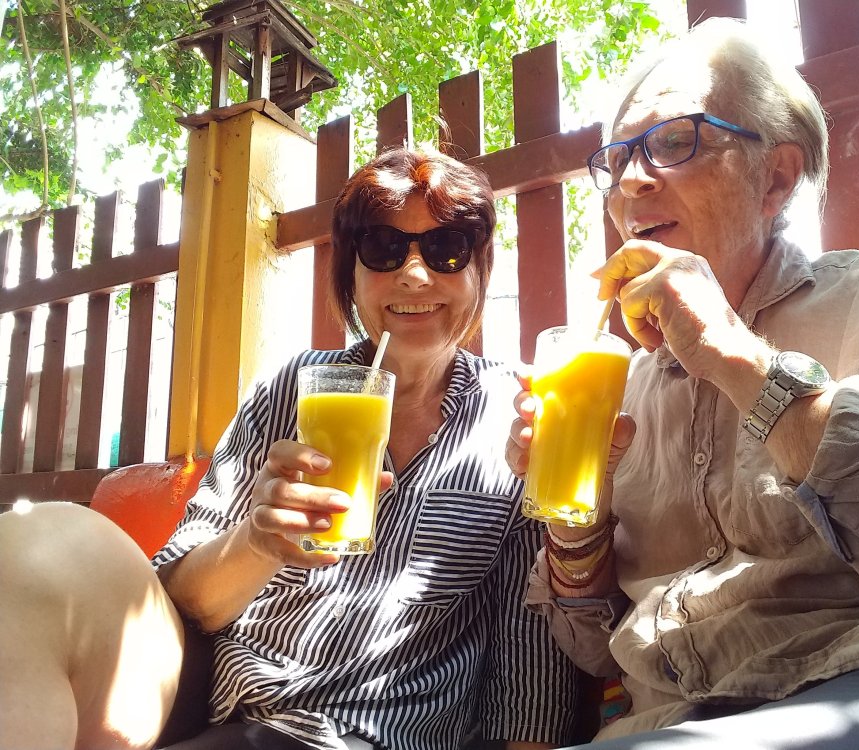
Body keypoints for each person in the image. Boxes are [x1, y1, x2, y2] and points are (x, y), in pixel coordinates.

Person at [506, 17, 859, 750]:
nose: (632, 180)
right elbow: (590, 651)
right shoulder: (621, 385)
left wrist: (736, 357)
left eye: (675, 141)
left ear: (776, 177)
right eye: (617, 159)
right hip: (667, 723)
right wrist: (577, 528)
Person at [0, 147, 578, 750]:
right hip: (206, 686)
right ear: (351, 274)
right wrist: (258, 543)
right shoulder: (295, 386)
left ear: (480, 269)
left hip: (359, 726)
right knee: (39, 540)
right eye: (383, 248)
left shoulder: (516, 419)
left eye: (446, 249)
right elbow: (182, 596)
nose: (413, 274)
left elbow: (528, 637)